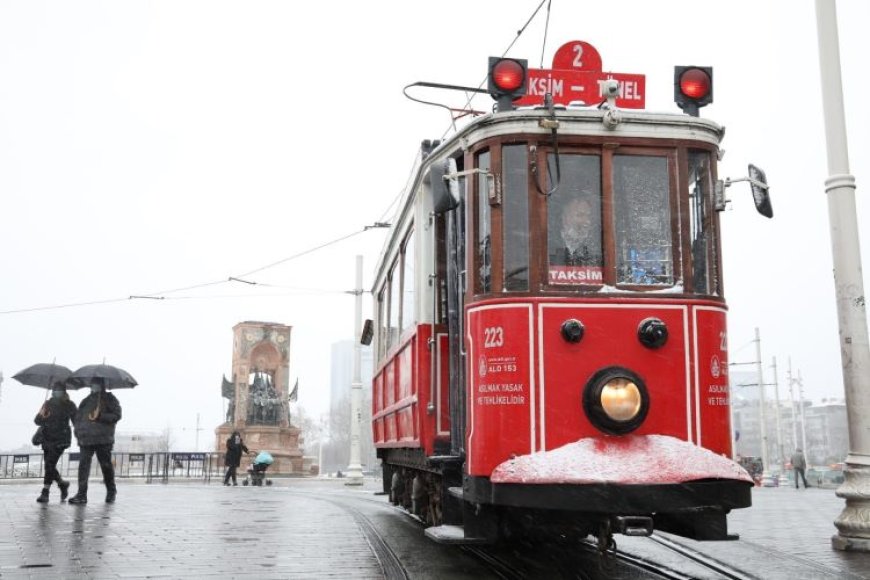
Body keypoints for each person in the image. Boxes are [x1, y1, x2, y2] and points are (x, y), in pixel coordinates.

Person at [68, 378, 122, 505]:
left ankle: (111, 490)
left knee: (106, 466)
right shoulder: (86, 401)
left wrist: (101, 416)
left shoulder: (110, 399)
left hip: (103, 439)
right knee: (83, 466)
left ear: (102, 385)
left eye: (96, 384)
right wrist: (78, 432)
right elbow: (78, 418)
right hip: (86, 439)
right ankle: (81, 494)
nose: (94, 386)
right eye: (92, 384)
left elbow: (117, 415)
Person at [33, 382, 77, 503]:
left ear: (64, 392)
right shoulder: (47, 404)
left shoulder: (69, 405)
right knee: (49, 465)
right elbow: (37, 421)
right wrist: (41, 415)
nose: (57, 392)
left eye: (59, 390)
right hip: (47, 439)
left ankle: (45, 492)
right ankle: (62, 484)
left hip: (60, 440)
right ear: (52, 391)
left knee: (50, 464)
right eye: (55, 390)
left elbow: (76, 421)